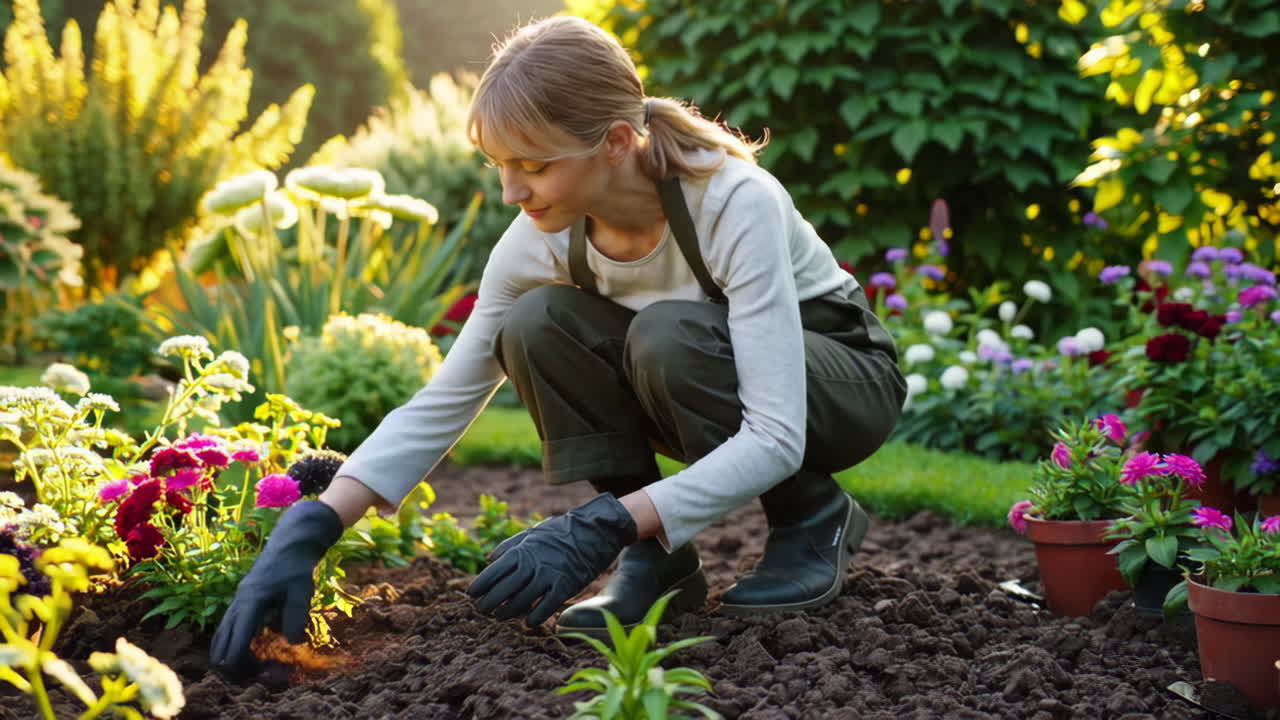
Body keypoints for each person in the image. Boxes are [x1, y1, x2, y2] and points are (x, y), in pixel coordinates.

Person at [209, 15, 906, 679]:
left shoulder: (730, 202)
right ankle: (656, 557)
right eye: (499, 166)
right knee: (534, 323)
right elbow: (447, 397)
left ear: (615, 142)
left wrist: (595, 525)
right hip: (711, 377)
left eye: (534, 166)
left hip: (839, 384)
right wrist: (314, 523)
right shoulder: (539, 239)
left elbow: (777, 433)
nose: (513, 191)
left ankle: (811, 515)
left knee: (670, 335)